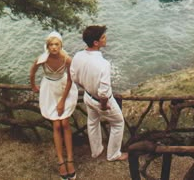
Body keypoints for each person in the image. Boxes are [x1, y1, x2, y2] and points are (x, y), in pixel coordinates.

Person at [70, 25, 128, 162]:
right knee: (118, 123)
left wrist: (87, 86)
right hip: (101, 101)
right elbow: (104, 92)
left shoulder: (78, 56)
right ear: (96, 43)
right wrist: (103, 105)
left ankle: (96, 150)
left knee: (92, 122)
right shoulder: (103, 64)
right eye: (102, 37)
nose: (105, 38)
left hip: (88, 96)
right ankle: (113, 154)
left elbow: (74, 77)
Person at [30, 31, 78, 180]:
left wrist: (62, 101)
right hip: (49, 91)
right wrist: (33, 86)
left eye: (57, 44)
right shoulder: (42, 59)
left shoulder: (67, 59)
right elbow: (32, 71)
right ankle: (60, 161)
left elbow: (70, 79)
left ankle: (70, 159)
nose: (54, 47)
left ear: (61, 45)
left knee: (65, 123)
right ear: (47, 46)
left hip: (65, 90)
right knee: (56, 126)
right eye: (51, 44)